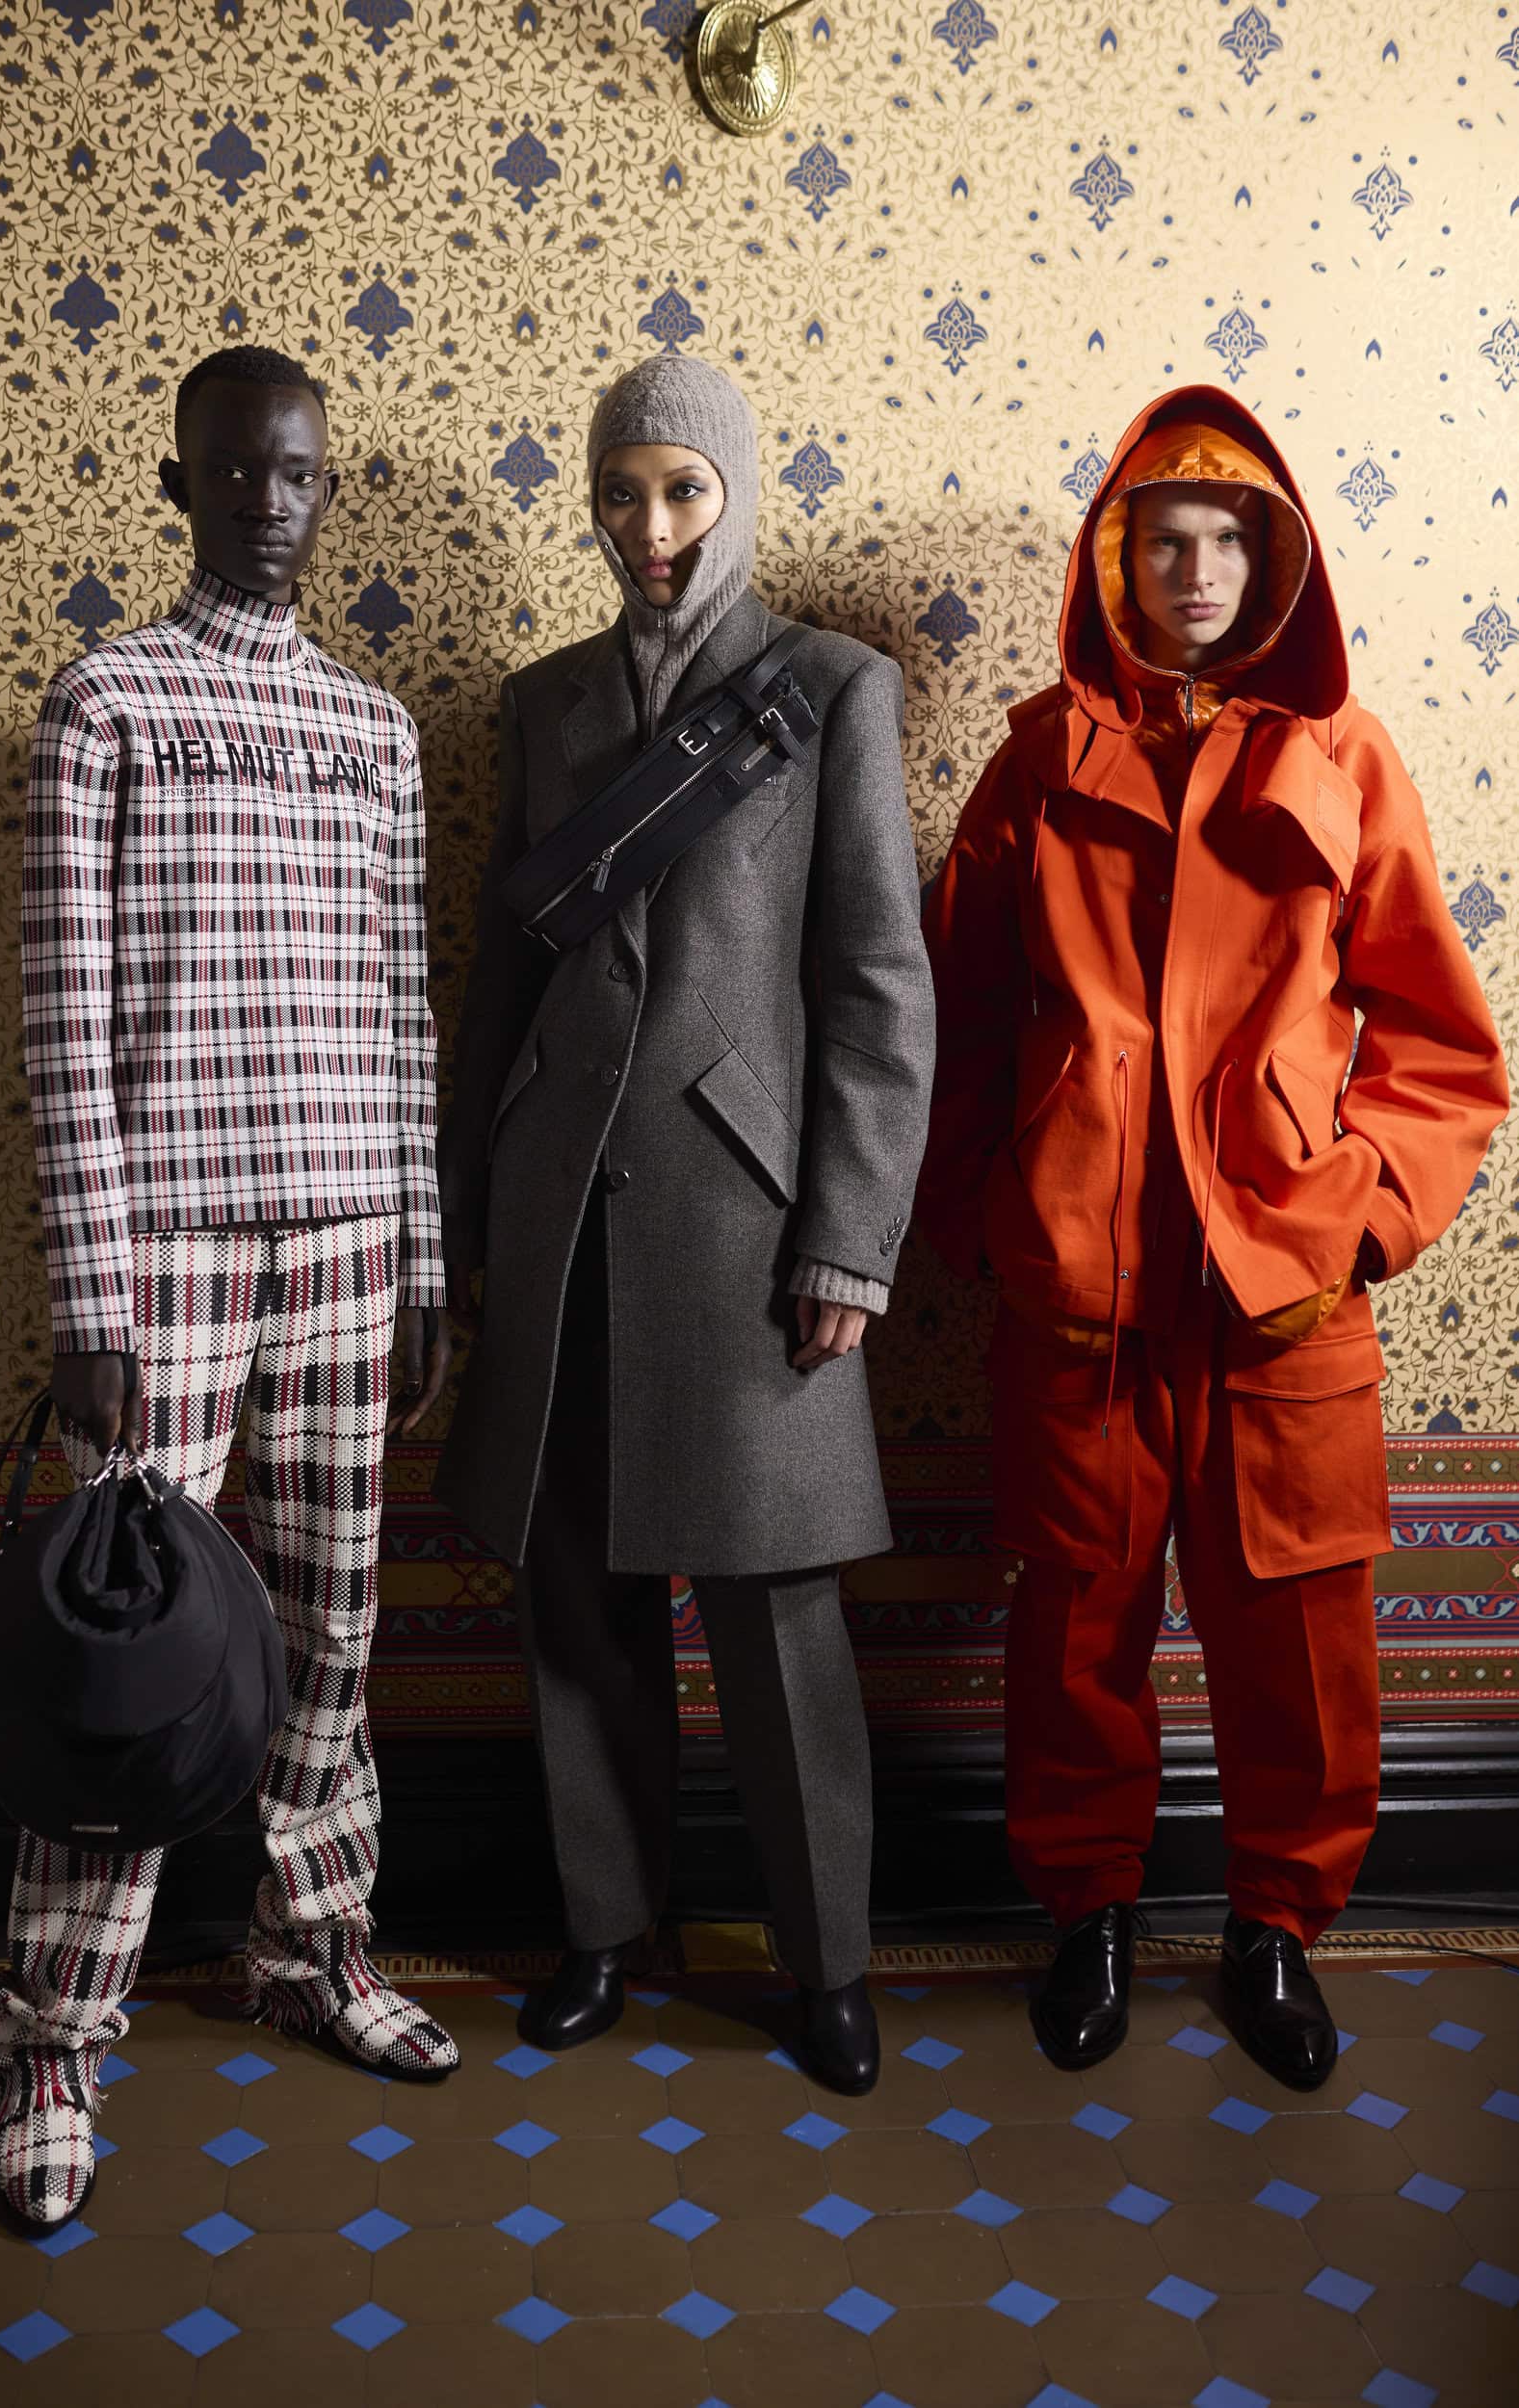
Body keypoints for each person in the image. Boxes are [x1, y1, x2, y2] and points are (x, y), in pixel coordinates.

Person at [919, 386, 1506, 2089]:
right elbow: (951, 1027)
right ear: (1113, 564)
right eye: (1161, 540)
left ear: (1273, 565)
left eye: (1225, 542)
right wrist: (983, 1221)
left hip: (1280, 1292)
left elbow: (1438, 1045)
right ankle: (1087, 1917)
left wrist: (1358, 1219)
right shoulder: (1038, 758)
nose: (1192, 571)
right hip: (1079, 1287)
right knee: (1072, 1627)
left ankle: (1275, 1931)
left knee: (1298, 1641)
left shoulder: (1345, 758)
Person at [0, 345, 458, 2231]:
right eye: (237, 473)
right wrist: (89, 1290)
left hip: (347, 1247)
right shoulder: (103, 702)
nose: (270, 503)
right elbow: (61, 1018)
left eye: (299, 475)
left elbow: (402, 1011)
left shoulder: (374, 730)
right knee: (123, 1652)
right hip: (164, 1254)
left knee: (334, 1620)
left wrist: (421, 1255)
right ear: (180, 483)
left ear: (326, 491)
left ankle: (310, 1947)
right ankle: (50, 2033)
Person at [436, 355, 934, 2094]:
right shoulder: (543, 703)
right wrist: (466, 1216)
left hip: (748, 1216)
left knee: (774, 1608)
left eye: (681, 490)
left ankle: (828, 1962)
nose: (648, 528)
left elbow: (877, 985)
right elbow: (499, 980)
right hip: (557, 1204)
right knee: (574, 1591)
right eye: (620, 493)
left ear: (733, 493)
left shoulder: (830, 689)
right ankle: (602, 1930)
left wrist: (848, 1238)